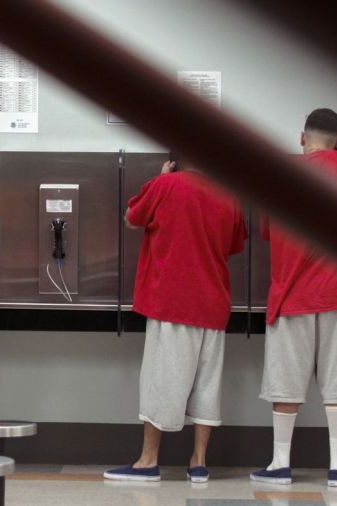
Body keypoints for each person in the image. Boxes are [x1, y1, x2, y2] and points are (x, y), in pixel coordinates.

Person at [251, 109, 337, 487]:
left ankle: (280, 465)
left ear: (301, 138)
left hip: (291, 296)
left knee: (286, 381)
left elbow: (266, 231)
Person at [104, 159, 246, 483]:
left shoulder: (166, 184)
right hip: (214, 305)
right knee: (207, 385)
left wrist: (163, 177)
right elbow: (234, 245)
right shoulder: (230, 195)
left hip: (173, 302)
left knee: (161, 383)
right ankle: (198, 462)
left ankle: (148, 461)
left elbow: (131, 218)